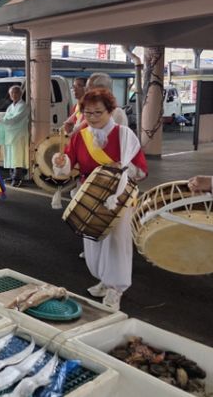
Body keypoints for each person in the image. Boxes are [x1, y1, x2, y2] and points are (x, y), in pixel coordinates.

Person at [53, 88, 147, 310]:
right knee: (93, 242)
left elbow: (141, 171)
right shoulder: (80, 136)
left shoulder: (125, 135)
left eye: (98, 112)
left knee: (116, 243)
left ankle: (116, 289)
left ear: (110, 111)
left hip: (118, 198)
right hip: (89, 195)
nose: (93, 117)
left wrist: (122, 167)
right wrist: (61, 162)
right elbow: (69, 163)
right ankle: (105, 280)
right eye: (88, 113)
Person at [0, 85, 29, 187]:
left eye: (16, 92)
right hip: (10, 134)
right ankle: (12, 175)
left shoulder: (23, 106)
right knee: (10, 155)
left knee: (17, 156)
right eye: (12, 93)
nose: (14, 95)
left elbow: (14, 119)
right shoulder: (10, 107)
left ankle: (17, 178)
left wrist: (0, 120)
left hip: (19, 135)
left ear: (20, 94)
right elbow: (6, 118)